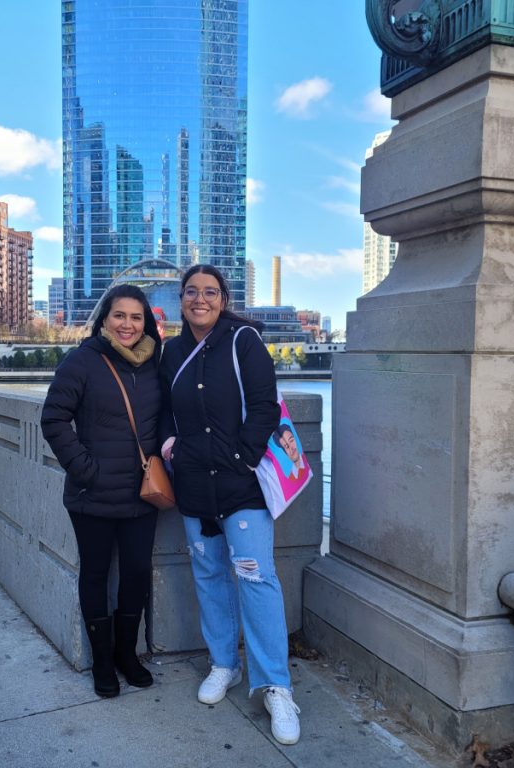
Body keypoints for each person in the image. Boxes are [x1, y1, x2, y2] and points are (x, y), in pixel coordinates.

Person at [158, 264, 301, 745]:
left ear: (223, 299)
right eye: (192, 292)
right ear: (181, 299)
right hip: (194, 485)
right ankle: (225, 664)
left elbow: (264, 406)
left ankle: (276, 685)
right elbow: (162, 411)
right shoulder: (171, 351)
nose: (201, 299)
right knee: (209, 575)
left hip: (242, 487)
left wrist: (241, 457)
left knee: (256, 577)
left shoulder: (245, 342)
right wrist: (169, 445)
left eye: (210, 292)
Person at [40, 285, 163, 698]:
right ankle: (103, 661)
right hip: (91, 495)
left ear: (146, 322)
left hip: (142, 494)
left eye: (136, 317)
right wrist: (86, 470)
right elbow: (54, 418)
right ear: (105, 319)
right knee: (95, 575)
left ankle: (127, 654)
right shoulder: (82, 361)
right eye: (119, 316)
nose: (127, 325)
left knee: (135, 573)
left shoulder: (154, 363)